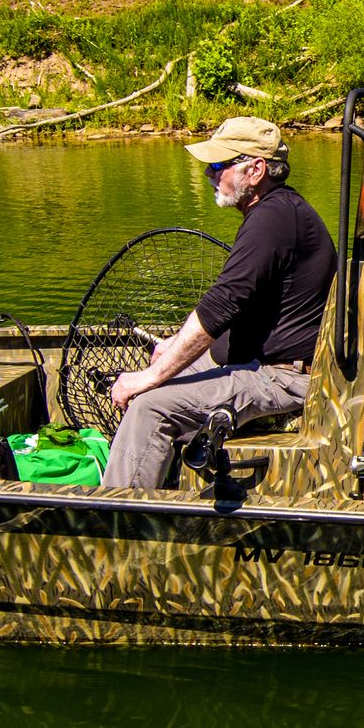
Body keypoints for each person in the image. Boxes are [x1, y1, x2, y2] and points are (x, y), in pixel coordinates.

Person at [106, 116, 335, 487]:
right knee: (167, 368)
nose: (210, 175)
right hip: (255, 362)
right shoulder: (274, 211)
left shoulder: (274, 219)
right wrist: (174, 350)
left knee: (149, 404)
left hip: (281, 376)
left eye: (218, 165)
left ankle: (113, 526)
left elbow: (220, 306)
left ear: (256, 169)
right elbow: (233, 303)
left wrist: (150, 378)